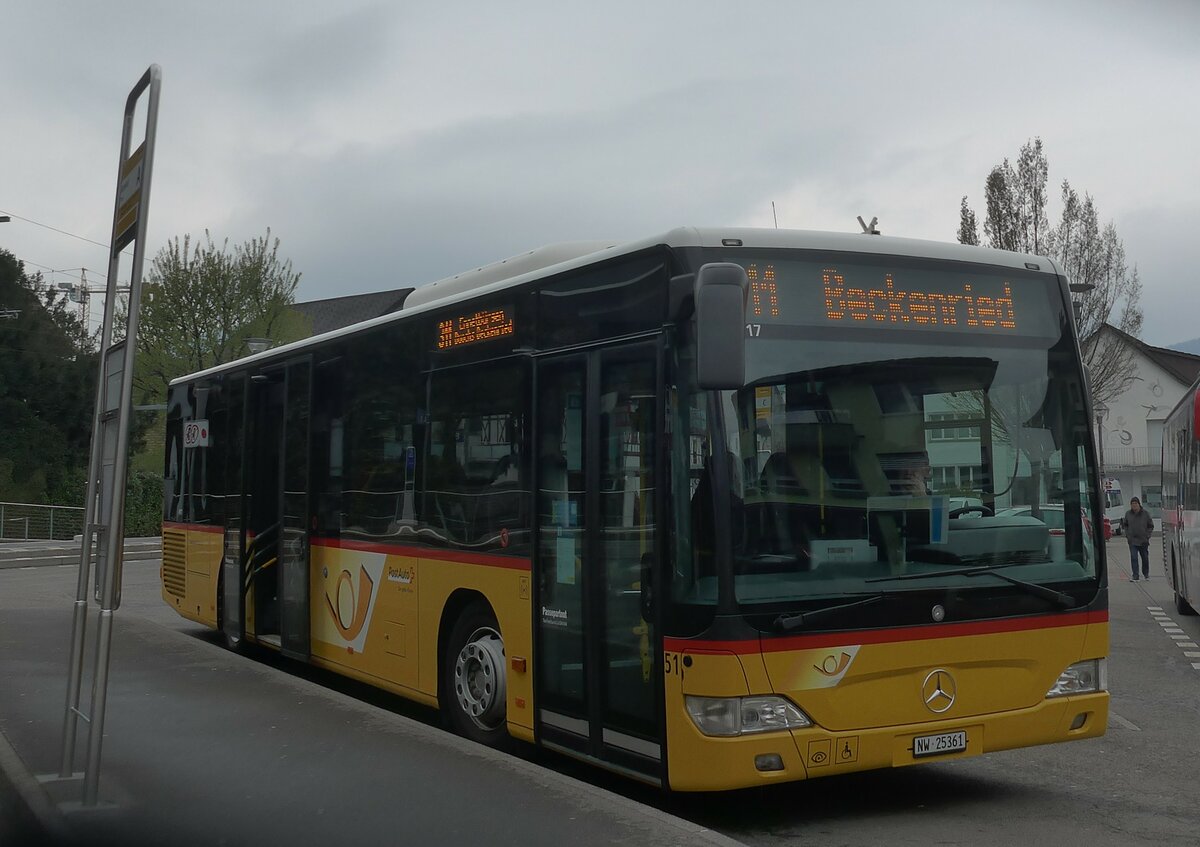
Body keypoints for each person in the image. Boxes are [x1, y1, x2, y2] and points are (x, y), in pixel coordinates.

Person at [1121, 497, 1154, 582]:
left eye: (1136, 504)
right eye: (1132, 504)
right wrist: (1128, 535)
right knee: (1134, 557)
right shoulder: (1128, 514)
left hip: (1143, 541)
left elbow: (1150, 526)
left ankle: (1146, 574)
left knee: (1145, 558)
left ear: (1139, 504)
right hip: (1132, 541)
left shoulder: (1145, 514)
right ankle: (1135, 576)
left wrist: (1147, 536)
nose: (1134, 505)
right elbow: (1125, 525)